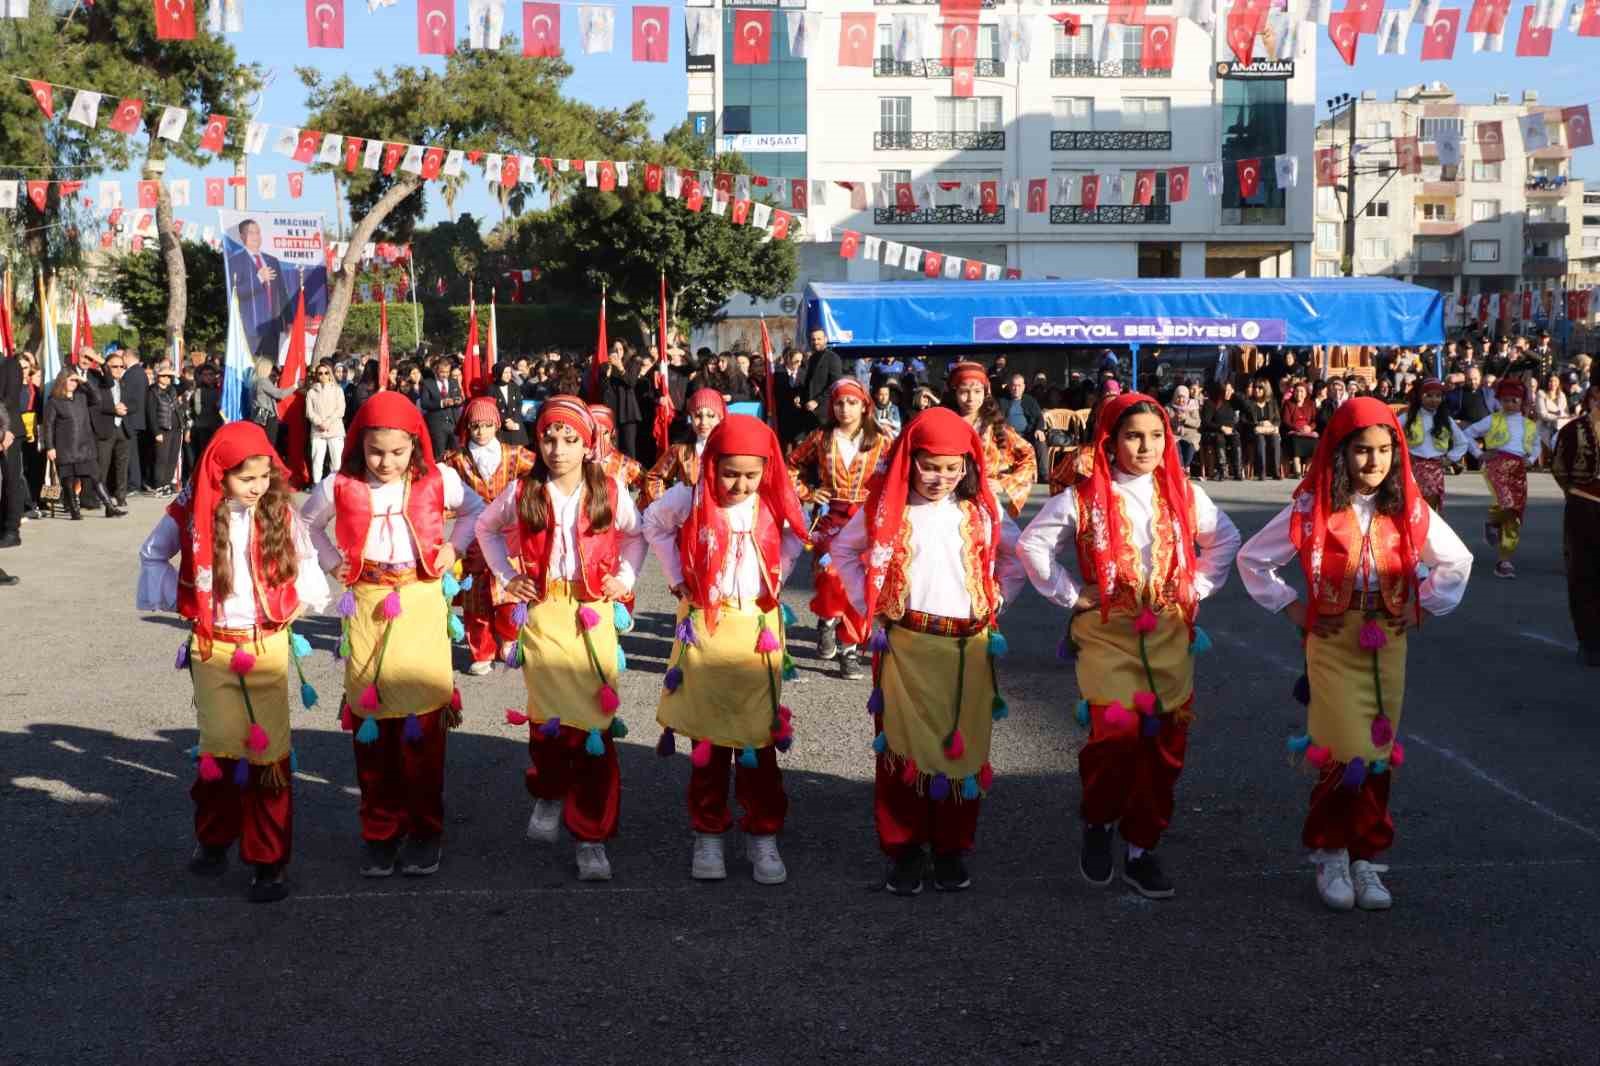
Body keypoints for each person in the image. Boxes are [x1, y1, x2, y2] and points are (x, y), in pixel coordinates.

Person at [1236, 398, 1472, 911]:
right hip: (1333, 640)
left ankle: (1367, 857)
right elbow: (1253, 559)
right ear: (1340, 453)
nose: (1374, 462)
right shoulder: (1312, 505)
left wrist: (1422, 609)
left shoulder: (1408, 507)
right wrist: (1294, 609)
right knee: (1341, 747)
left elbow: (1456, 561)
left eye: (1385, 450)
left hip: (1388, 641)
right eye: (1362, 450)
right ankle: (1331, 852)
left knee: (1378, 751)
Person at [1018, 394, 1240, 899]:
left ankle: (1142, 846)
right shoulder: (1084, 497)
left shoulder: (1184, 493)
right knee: (1114, 738)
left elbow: (1224, 540)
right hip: (1107, 633)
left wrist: (1195, 588)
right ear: (1110, 440)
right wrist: (1073, 595)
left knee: (1164, 747)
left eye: (1156, 436)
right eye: (1133, 436)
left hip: (1168, 633)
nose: (1146, 446)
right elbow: (1033, 545)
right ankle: (1099, 822)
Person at [821, 408, 1024, 894]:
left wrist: (998, 598)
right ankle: (905, 848)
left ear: (967, 467)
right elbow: (843, 554)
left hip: (967, 647)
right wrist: (868, 605)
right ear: (910, 460)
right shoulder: (886, 511)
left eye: (953, 468)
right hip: (907, 643)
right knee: (902, 749)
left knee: (964, 746)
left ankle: (952, 847)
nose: (941, 478)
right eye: (930, 466)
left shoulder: (979, 511)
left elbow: (1015, 557)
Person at [137, 422, 331, 903]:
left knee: (270, 757)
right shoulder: (188, 512)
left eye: (264, 477)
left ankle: (269, 861)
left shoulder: (280, 514)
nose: (258, 487)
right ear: (219, 474)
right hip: (213, 646)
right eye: (247, 479)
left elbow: (306, 560)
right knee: (220, 750)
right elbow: (152, 554)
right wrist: (181, 599)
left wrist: (302, 599)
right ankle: (215, 836)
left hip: (267, 644)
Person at [299, 392, 486, 879]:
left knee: (423, 723)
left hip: (422, 604)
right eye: (376, 451)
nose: (386, 462)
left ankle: (425, 831)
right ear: (360, 445)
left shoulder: (438, 480)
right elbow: (303, 524)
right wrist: (330, 560)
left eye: (398, 452)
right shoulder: (337, 485)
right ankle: (380, 829)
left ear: (415, 446)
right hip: (365, 606)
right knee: (373, 722)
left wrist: (454, 547)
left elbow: (476, 511)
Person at [476, 398, 647, 882]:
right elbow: (486, 528)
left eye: (570, 439)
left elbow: (637, 536)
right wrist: (508, 575)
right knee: (549, 721)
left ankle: (592, 835)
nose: (558, 449)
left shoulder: (609, 489)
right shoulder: (522, 490)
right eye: (549, 438)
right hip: (546, 614)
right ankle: (549, 790)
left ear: (588, 442)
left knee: (594, 725)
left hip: (593, 614)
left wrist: (626, 577)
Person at [643, 415, 809, 886]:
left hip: (757, 628)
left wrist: (778, 573)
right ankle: (709, 833)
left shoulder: (773, 497)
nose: (739, 484)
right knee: (709, 739)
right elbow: (652, 523)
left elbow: (798, 531)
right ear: (712, 464)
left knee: (759, 738)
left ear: (764, 472)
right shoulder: (688, 496)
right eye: (729, 473)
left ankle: (763, 834)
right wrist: (677, 577)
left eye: (750, 475)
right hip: (705, 627)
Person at [789, 378, 894, 679]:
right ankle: (827, 618)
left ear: (864, 405)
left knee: (861, 583)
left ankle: (849, 649)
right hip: (832, 517)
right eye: (839, 403)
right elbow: (790, 466)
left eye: (851, 402)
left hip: (867, 520)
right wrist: (808, 493)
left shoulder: (882, 439)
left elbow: (898, 474)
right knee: (831, 578)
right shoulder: (821, 437)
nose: (845, 409)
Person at [443, 396, 537, 676]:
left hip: (507, 535)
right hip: (472, 539)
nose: (481, 432)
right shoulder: (455, 459)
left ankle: (509, 639)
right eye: (475, 426)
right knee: (476, 598)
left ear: (496, 425)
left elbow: (541, 474)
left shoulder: (516, 454)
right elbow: (439, 487)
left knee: (510, 592)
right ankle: (481, 650)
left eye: (486, 425)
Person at [1463, 380, 1542, 578]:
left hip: (1518, 469)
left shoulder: (1529, 424)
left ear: (1522, 402)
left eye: (1514, 400)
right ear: (1499, 401)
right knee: (1505, 502)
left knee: (1515, 513)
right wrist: (1479, 453)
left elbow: (1536, 445)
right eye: (1505, 400)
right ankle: (1492, 521)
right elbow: (1467, 434)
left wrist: (1531, 459)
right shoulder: (1492, 420)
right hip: (1496, 465)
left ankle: (1504, 560)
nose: (1510, 404)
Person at [944, 362, 1036, 518]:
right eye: (964, 392)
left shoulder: (994, 427)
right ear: (954, 393)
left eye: (977, 391)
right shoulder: (943, 423)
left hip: (984, 502)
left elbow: (1028, 455)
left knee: (1011, 541)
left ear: (985, 393)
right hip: (945, 501)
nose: (971, 398)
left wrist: (1004, 483)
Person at [1551, 382, 1600, 667]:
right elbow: (1560, 469)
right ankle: (1590, 639)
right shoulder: (1573, 430)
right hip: (1585, 504)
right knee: (1584, 571)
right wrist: (1577, 494)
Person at [42, 369, 121, 519]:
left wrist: (84, 380)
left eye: (75, 381)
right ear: (62, 381)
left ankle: (110, 507)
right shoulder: (54, 401)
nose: (73, 383)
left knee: (96, 477)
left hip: (85, 446)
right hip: (66, 448)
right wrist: (50, 447)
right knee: (68, 481)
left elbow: (97, 398)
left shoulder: (81, 396)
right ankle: (74, 511)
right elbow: (48, 426)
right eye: (71, 380)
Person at [642, 388, 725, 507]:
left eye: (711, 416)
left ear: (720, 418)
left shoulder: (729, 450)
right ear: (690, 417)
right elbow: (654, 477)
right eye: (697, 415)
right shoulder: (680, 449)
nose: (703, 422)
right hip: (686, 519)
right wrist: (666, 505)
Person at [1398, 379, 1470, 512]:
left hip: (1435, 469)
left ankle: (1428, 531)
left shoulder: (1445, 419)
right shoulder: (1408, 417)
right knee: (1412, 506)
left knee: (1430, 508)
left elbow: (1462, 442)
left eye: (1438, 396)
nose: (1434, 400)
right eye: (1429, 395)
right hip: (1412, 467)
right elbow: (1391, 433)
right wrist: (1402, 455)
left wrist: (1450, 458)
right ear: (1420, 397)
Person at [226, 218, 291, 358]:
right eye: (251, 233)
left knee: (270, 368)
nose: (256, 236)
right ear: (242, 237)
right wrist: (259, 279)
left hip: (272, 328)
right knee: (252, 370)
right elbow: (234, 293)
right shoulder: (234, 261)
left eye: (258, 232)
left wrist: (289, 320)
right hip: (249, 329)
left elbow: (282, 293)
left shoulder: (272, 261)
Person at [84, 351, 135, 510]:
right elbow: (95, 406)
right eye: (115, 366)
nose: (119, 369)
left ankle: (121, 496)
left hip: (124, 428)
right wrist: (114, 409)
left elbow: (136, 403)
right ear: (107, 367)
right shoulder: (100, 383)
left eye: (122, 366)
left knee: (122, 465)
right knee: (103, 465)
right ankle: (101, 497)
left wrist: (126, 408)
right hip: (106, 428)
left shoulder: (125, 383)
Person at [996, 373, 1047, 480]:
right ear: (1009, 387)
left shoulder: (1030, 400)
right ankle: (1006, 475)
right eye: (1014, 385)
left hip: (1028, 435)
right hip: (1009, 436)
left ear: (1024, 387)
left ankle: (1044, 476)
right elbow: (997, 420)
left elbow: (1039, 418)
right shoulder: (1002, 401)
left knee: (1041, 441)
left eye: (1019, 386)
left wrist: (1039, 429)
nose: (1016, 388)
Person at [146, 362, 186, 495]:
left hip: (176, 428)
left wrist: (176, 374)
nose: (166, 379)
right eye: (164, 376)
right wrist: (156, 431)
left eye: (169, 377)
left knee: (172, 458)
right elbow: (150, 413)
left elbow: (186, 384)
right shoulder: (152, 391)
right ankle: (159, 485)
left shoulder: (172, 389)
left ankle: (167, 483)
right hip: (163, 429)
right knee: (161, 459)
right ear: (158, 377)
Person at [305, 359, 347, 483]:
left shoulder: (337, 390)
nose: (323, 375)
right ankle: (317, 484)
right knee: (317, 459)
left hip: (335, 429)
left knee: (337, 460)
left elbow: (341, 409)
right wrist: (320, 423)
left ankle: (336, 484)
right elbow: (309, 412)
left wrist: (328, 422)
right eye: (320, 373)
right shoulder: (311, 392)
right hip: (318, 431)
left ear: (330, 374)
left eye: (326, 373)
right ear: (317, 376)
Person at [600, 342, 644, 459]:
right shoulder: (606, 366)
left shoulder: (632, 363)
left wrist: (620, 367)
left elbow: (631, 382)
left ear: (624, 350)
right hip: (613, 411)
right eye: (615, 349)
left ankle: (631, 475)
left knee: (629, 448)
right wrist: (608, 371)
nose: (617, 352)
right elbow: (603, 388)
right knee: (614, 447)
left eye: (620, 349)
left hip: (628, 411)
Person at [589, 404, 644, 496]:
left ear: (612, 433)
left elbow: (650, 483)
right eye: (594, 433)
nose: (599, 439)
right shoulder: (576, 463)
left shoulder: (625, 464)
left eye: (604, 433)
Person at [0, 351, 26, 545]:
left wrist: (5, 430)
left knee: (11, 480)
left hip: (9, 431)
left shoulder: (10, 365)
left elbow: (10, 399)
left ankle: (11, 530)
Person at [419, 356, 463, 461]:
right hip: (437, 426)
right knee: (439, 457)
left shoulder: (453, 381)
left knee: (457, 455)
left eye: (447, 372)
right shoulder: (427, 383)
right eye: (442, 372)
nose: (445, 375)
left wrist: (458, 400)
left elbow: (460, 397)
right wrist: (441, 403)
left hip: (454, 425)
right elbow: (424, 403)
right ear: (435, 370)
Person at [1238, 377, 1283, 480]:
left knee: (1275, 439)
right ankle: (1261, 472)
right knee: (1260, 439)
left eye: (1260, 387)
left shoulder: (1272, 403)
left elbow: (1277, 419)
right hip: (1254, 432)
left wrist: (1270, 425)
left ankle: (1276, 471)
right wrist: (1259, 424)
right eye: (1255, 387)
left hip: (1270, 430)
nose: (1256, 390)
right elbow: (1243, 420)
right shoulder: (1249, 403)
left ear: (1266, 389)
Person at [802, 328, 845, 430]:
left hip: (825, 412)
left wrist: (817, 401)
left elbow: (835, 384)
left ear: (825, 339)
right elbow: (809, 382)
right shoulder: (812, 359)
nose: (816, 342)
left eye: (819, 339)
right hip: (810, 412)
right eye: (813, 339)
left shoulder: (833, 358)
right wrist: (800, 397)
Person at [1200, 381, 1242, 481]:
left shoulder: (1233, 403)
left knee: (1236, 438)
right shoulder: (1211, 403)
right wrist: (1221, 428)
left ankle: (1238, 471)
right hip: (1214, 431)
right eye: (1225, 390)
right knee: (1220, 439)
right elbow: (1206, 422)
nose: (1227, 393)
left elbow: (1236, 420)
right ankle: (1222, 470)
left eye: (1230, 390)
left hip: (1230, 431)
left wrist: (1232, 429)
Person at [1280, 380, 1320, 478]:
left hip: (1307, 431)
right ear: (1294, 392)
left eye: (1302, 391)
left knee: (1315, 441)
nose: (1299, 394)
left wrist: (1310, 428)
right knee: (1295, 441)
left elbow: (1315, 420)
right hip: (1293, 431)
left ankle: (1307, 470)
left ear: (1306, 393)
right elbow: (1286, 421)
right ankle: (1297, 471)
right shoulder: (1288, 404)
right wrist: (1297, 429)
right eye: (1297, 391)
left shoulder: (1311, 404)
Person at [250, 356, 292, 444]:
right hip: (267, 418)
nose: (272, 371)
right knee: (269, 443)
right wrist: (296, 386)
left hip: (259, 416)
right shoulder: (263, 381)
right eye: (271, 368)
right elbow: (279, 394)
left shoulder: (256, 381)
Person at [1166, 384, 1201, 476]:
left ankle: (1186, 466)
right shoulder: (1168, 408)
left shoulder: (1193, 407)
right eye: (1178, 397)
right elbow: (1165, 423)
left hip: (1190, 434)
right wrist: (1174, 420)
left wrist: (1186, 419)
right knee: (1175, 443)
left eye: (1183, 398)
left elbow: (1197, 423)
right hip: (1175, 434)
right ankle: (1181, 468)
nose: (1181, 400)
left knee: (1191, 444)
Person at [1535, 372, 1571, 461]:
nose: (1553, 384)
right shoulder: (1541, 393)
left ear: (1559, 382)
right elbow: (1543, 414)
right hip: (1544, 426)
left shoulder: (1562, 395)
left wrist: (1563, 417)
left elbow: (1566, 413)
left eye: (1555, 381)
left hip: (1559, 426)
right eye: (1550, 381)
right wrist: (1557, 417)